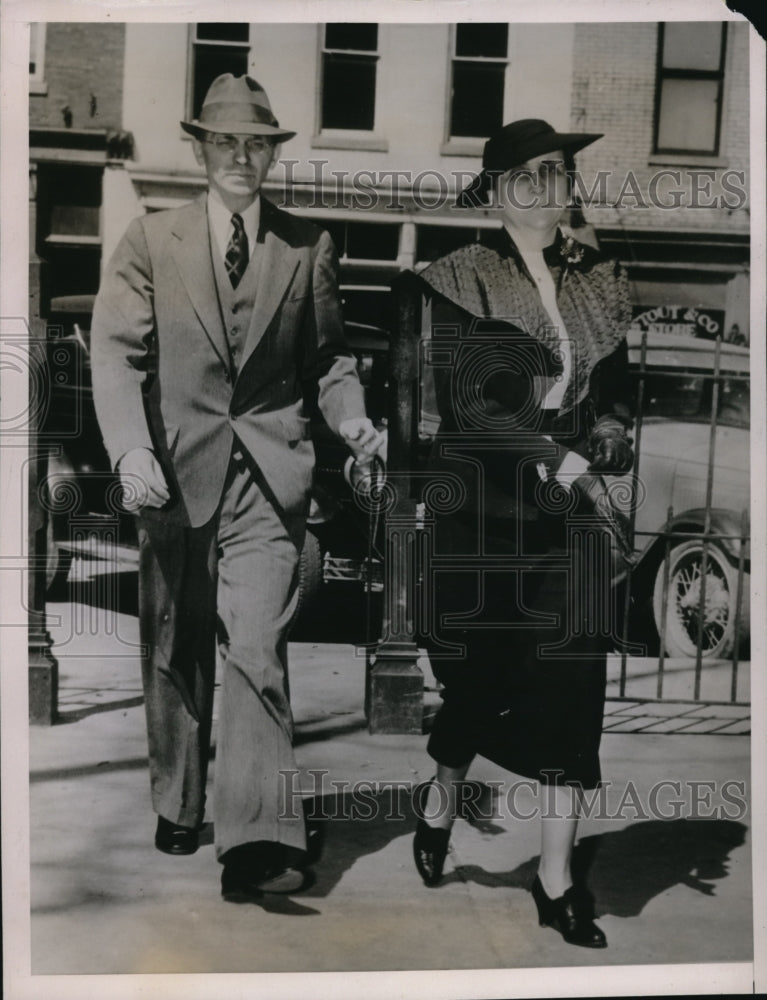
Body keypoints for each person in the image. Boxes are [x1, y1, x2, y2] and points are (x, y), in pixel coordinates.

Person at [90, 74, 380, 900]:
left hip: (270, 482)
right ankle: (179, 799)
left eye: (257, 144)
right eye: (226, 143)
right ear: (200, 150)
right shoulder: (151, 241)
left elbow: (328, 361)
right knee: (178, 647)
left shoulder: (307, 246)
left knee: (255, 648)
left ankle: (254, 836)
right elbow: (116, 355)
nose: (242, 157)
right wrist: (130, 452)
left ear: (273, 153)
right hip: (174, 479)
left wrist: (350, 416)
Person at [412, 119, 635, 948]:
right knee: (478, 689)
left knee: (573, 690)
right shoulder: (459, 277)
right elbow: (471, 412)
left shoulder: (598, 277)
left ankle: (555, 880)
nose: (552, 186)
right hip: (479, 514)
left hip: (563, 524)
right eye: (533, 173)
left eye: (561, 171)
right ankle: (438, 802)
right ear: (499, 188)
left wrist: (608, 426)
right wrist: (564, 460)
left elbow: (614, 382)